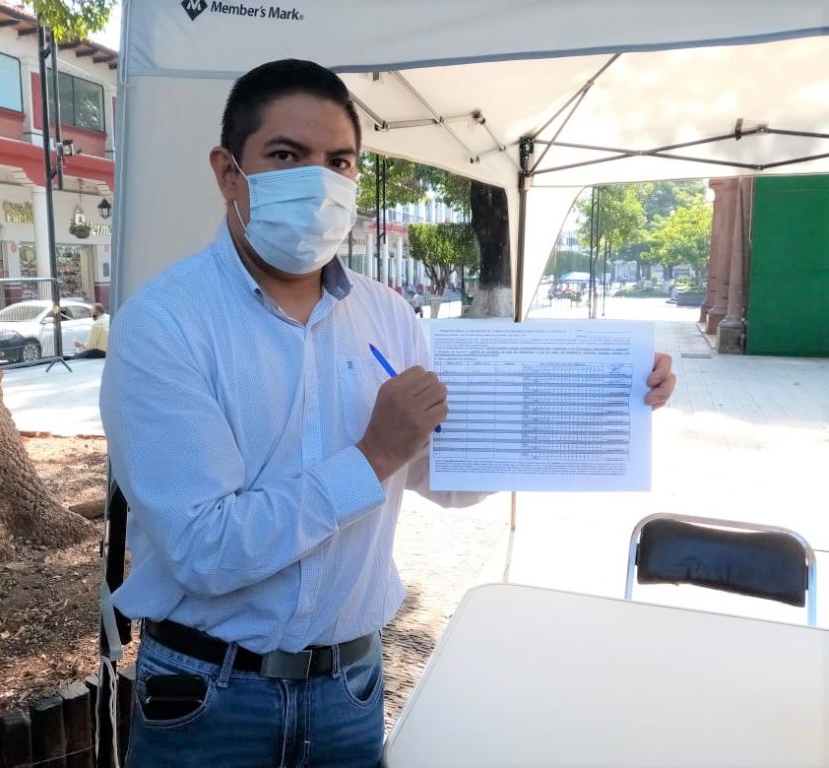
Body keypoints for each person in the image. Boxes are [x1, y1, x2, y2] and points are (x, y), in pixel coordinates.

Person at [100, 59, 676, 768]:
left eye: (339, 161)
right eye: (287, 155)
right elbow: (204, 549)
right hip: (209, 698)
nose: (319, 181)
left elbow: (447, 476)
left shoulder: (387, 315)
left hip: (350, 689)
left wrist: (606, 397)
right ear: (229, 172)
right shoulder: (164, 326)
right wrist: (373, 456)